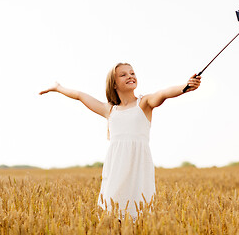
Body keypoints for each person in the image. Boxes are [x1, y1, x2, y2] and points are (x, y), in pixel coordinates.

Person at [39, 63, 201, 221]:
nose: (130, 76)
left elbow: (163, 93)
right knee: (112, 215)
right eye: (123, 75)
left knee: (139, 213)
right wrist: (58, 88)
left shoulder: (144, 103)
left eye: (132, 73)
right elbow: (80, 96)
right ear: (114, 84)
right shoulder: (109, 110)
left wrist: (185, 87)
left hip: (138, 169)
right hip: (115, 169)